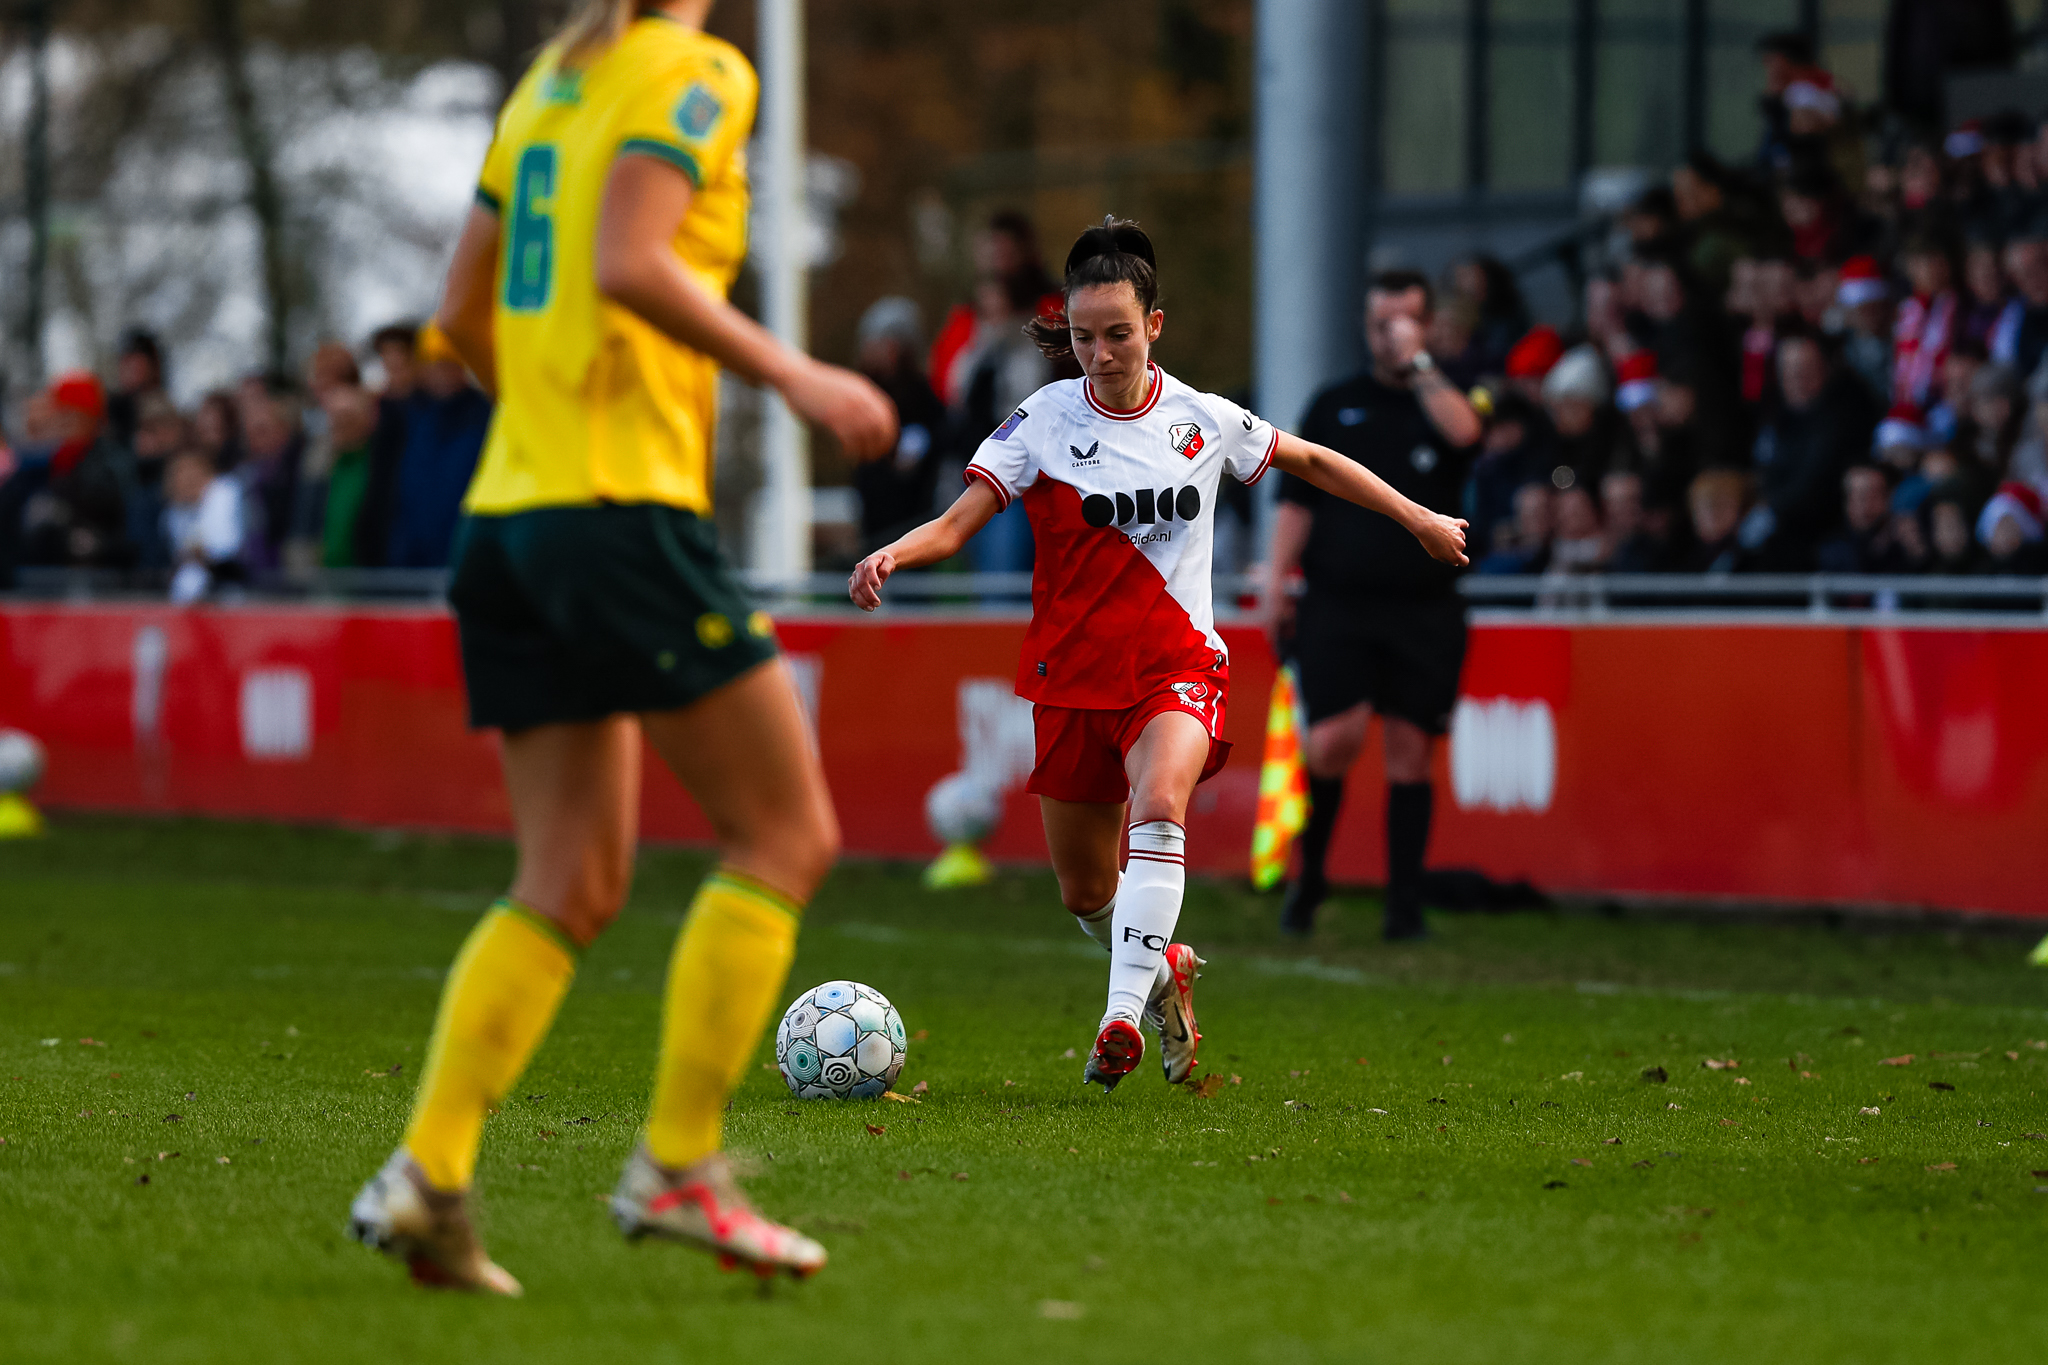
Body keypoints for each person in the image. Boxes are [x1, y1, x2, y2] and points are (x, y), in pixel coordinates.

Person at [347, 0, 896, 1295]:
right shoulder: (694, 71)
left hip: (512, 519)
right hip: (615, 511)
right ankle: (680, 1168)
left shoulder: (552, 80)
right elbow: (629, 260)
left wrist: (546, 414)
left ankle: (428, 1172)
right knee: (785, 831)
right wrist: (799, 377)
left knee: (573, 877)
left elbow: (463, 317)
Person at [849, 220, 1466, 1077]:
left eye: (1118, 334)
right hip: (1070, 680)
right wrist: (893, 553)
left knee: (1162, 804)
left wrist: (1420, 519)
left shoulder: (1203, 419)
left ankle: (1118, 1020)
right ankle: (1162, 970)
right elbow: (957, 525)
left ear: (1155, 327)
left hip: (1176, 668)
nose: (1099, 354)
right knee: (1086, 893)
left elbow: (1316, 462)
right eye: (1082, 337)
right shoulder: (1040, 420)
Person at [1261, 269, 1483, 941]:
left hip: (1424, 607)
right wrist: (1275, 579)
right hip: (1339, 603)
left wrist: (1418, 364)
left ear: (1424, 324)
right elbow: (1298, 500)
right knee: (1331, 741)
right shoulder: (1334, 403)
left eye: (1401, 321)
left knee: (1411, 754)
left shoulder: (1445, 394)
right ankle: (1312, 878)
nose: (1386, 333)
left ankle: (1404, 903)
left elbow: (1467, 435)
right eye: (1378, 321)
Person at [384, 324, 493, 568]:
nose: (438, 371)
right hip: (411, 564)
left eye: (445, 361)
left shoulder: (484, 417)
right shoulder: (412, 416)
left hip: (463, 558)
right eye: (430, 362)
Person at [849, 296, 946, 552]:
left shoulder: (922, 396)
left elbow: (941, 435)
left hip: (914, 519)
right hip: (874, 517)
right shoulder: (865, 391)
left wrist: (920, 445)